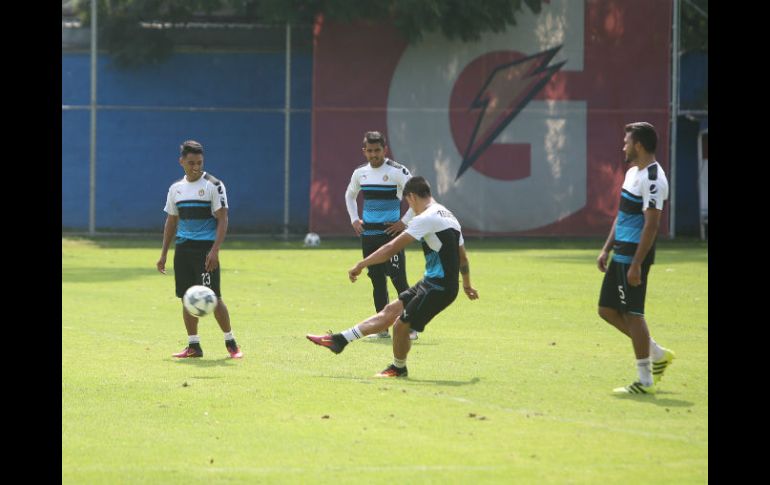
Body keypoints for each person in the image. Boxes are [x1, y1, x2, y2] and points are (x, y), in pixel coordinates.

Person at [307, 176, 479, 377]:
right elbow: (463, 259)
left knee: (400, 325)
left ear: (412, 197)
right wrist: (467, 285)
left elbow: (390, 248)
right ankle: (339, 340)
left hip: (439, 288)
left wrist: (362, 264)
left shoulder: (425, 218)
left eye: (408, 202)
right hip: (433, 282)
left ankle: (398, 368)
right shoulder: (449, 215)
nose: (410, 207)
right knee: (390, 311)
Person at [597, 122, 675, 394]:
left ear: (638, 145)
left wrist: (637, 264)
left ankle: (645, 381)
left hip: (635, 257)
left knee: (633, 314)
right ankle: (655, 352)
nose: (624, 146)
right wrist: (607, 248)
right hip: (621, 252)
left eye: (627, 141)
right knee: (606, 310)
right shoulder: (632, 173)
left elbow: (652, 225)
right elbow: (622, 214)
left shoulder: (654, 179)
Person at [156, 140, 243, 359]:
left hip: (205, 250)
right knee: (187, 297)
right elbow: (171, 221)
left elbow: (223, 219)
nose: (196, 167)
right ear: (181, 161)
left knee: (213, 297)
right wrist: (164, 253)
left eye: (200, 162)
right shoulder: (176, 188)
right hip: (183, 249)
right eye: (192, 162)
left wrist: (215, 250)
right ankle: (194, 346)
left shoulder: (214, 185)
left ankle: (231, 342)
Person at [344, 131, 418, 340]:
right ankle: (381, 328)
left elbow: (416, 194)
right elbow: (350, 195)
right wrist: (354, 219)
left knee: (398, 280)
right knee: (377, 281)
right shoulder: (360, 173)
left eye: (377, 150)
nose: (374, 155)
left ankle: (411, 327)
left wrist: (404, 222)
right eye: (370, 151)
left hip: (391, 238)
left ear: (384, 150)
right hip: (369, 236)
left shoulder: (397, 171)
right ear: (364, 151)